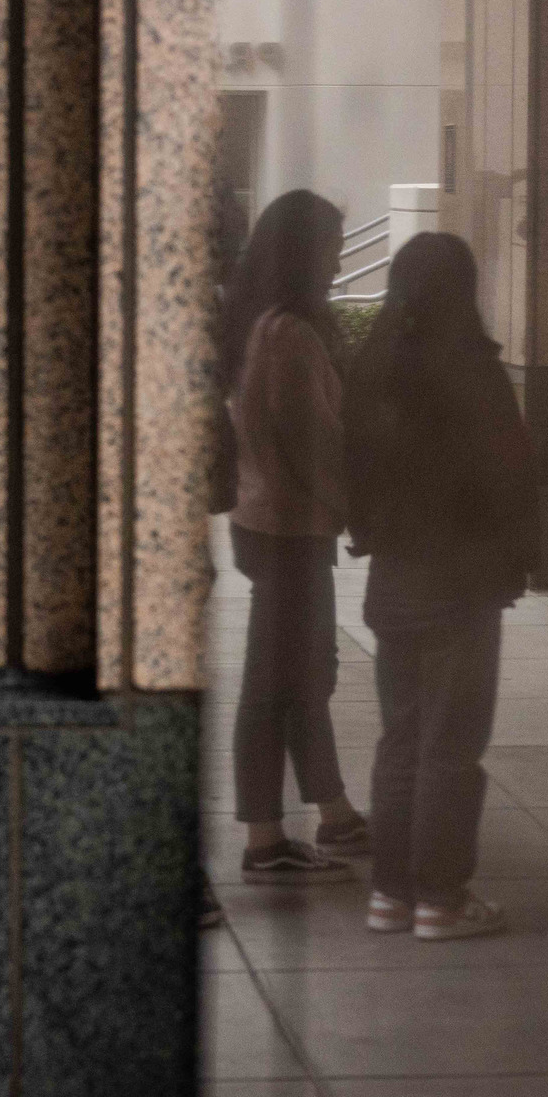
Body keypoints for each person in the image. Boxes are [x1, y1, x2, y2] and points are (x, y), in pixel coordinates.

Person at [344, 231, 538, 941]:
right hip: (462, 577)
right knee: (451, 743)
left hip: (393, 576)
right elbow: (508, 477)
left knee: (402, 737)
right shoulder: (474, 371)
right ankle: (440, 897)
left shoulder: (375, 366)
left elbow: (352, 470)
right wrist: (518, 557)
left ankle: (389, 894)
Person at [222, 190, 368, 885]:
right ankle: (265, 836)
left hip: (270, 519)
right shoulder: (292, 334)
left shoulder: (259, 323)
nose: (337, 263)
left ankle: (332, 810)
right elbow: (318, 444)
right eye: (331, 248)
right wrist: (354, 506)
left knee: (302, 674)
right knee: (279, 682)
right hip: (289, 524)